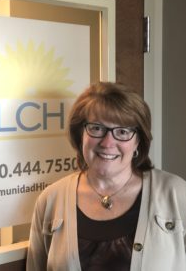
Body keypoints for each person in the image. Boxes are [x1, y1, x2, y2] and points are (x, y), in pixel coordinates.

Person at [26, 81, 186, 271]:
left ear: (138, 142)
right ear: (80, 135)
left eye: (122, 131)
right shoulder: (50, 200)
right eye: (97, 128)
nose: (108, 142)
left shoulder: (176, 193)